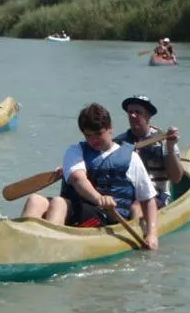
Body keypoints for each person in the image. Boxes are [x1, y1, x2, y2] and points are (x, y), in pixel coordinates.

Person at [20, 103, 160, 248]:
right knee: (35, 200)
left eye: (98, 133)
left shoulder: (131, 158)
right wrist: (98, 198)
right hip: (77, 211)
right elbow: (78, 179)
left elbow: (148, 199)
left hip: (109, 218)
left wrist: (152, 235)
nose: (94, 140)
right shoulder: (75, 151)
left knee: (58, 202)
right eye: (88, 135)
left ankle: (48, 248)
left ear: (110, 128)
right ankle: (24, 243)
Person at [114, 95, 183, 220]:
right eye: (130, 112)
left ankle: (140, 234)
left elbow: (176, 178)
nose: (132, 116)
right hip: (126, 195)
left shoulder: (164, 140)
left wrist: (171, 147)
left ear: (148, 116)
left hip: (156, 196)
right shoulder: (119, 142)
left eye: (138, 112)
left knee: (136, 206)